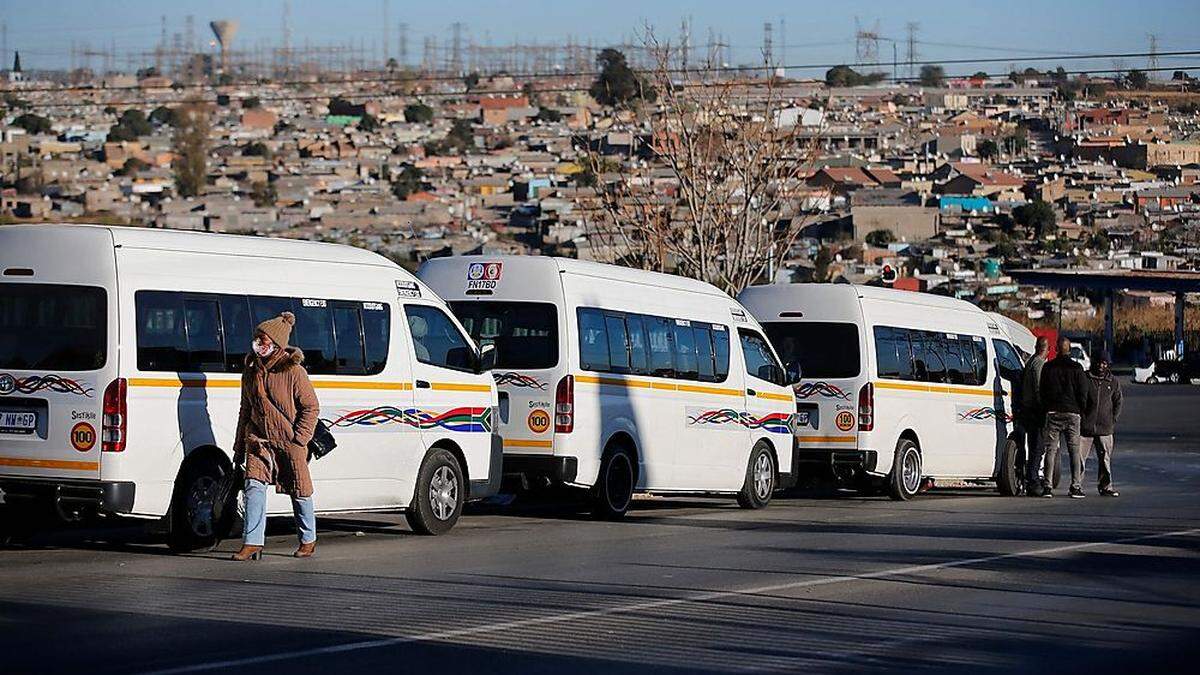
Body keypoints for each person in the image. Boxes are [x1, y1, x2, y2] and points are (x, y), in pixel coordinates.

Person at [231, 312, 321, 560]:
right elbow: (245, 410)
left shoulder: (294, 372)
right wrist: (239, 446)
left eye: (264, 340)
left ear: (277, 343)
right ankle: (252, 542)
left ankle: (308, 539)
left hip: (290, 441)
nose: (259, 345)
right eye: (257, 340)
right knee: (253, 486)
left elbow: (311, 407)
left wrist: (300, 439)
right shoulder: (250, 372)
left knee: (300, 490)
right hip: (259, 441)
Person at [1039, 336, 1092, 499]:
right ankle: (1075, 486)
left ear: (1055, 348)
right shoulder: (1077, 368)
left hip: (1053, 412)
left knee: (1051, 451)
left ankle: (1047, 486)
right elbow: (1084, 393)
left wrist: (1047, 407)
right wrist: (1080, 410)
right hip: (1072, 413)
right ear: (1069, 350)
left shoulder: (1048, 368)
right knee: (1074, 451)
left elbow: (1042, 390)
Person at [1082, 351, 1123, 497]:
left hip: (1105, 428)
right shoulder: (1086, 378)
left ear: (1108, 365)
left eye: (1104, 363)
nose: (1101, 366)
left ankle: (1106, 486)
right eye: (1099, 362)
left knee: (1105, 460)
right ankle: (1077, 485)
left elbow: (1118, 401)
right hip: (1086, 427)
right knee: (1080, 458)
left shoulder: (1113, 381)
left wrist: (1113, 419)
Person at [1019, 336, 1050, 495]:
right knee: (1037, 448)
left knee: (1033, 447)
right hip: (1035, 410)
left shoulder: (1030, 361)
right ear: (1047, 349)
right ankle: (1033, 481)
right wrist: (1043, 406)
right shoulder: (1038, 364)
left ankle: (1031, 479)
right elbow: (1038, 387)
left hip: (1027, 409)